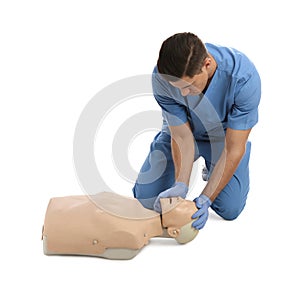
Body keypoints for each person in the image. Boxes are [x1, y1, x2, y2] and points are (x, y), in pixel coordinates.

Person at [133, 32, 261, 230]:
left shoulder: (244, 78)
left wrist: (206, 197)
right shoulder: (161, 78)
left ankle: (212, 168)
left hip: (224, 140)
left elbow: (233, 148)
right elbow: (182, 136)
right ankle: (201, 169)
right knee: (146, 199)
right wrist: (181, 185)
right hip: (185, 132)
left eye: (189, 85)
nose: (183, 94)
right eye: (178, 87)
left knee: (230, 208)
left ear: (207, 64)